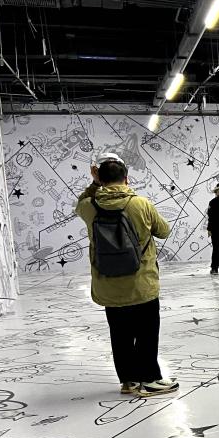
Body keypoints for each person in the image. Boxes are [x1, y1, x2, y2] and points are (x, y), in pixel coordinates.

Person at [75, 151, 178, 397]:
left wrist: (94, 184)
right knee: (147, 333)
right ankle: (149, 379)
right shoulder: (140, 204)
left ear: (99, 178)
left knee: (119, 335)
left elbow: (80, 203)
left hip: (108, 285)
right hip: (142, 283)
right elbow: (164, 231)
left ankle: (128, 381)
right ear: (127, 178)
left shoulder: (90, 207)